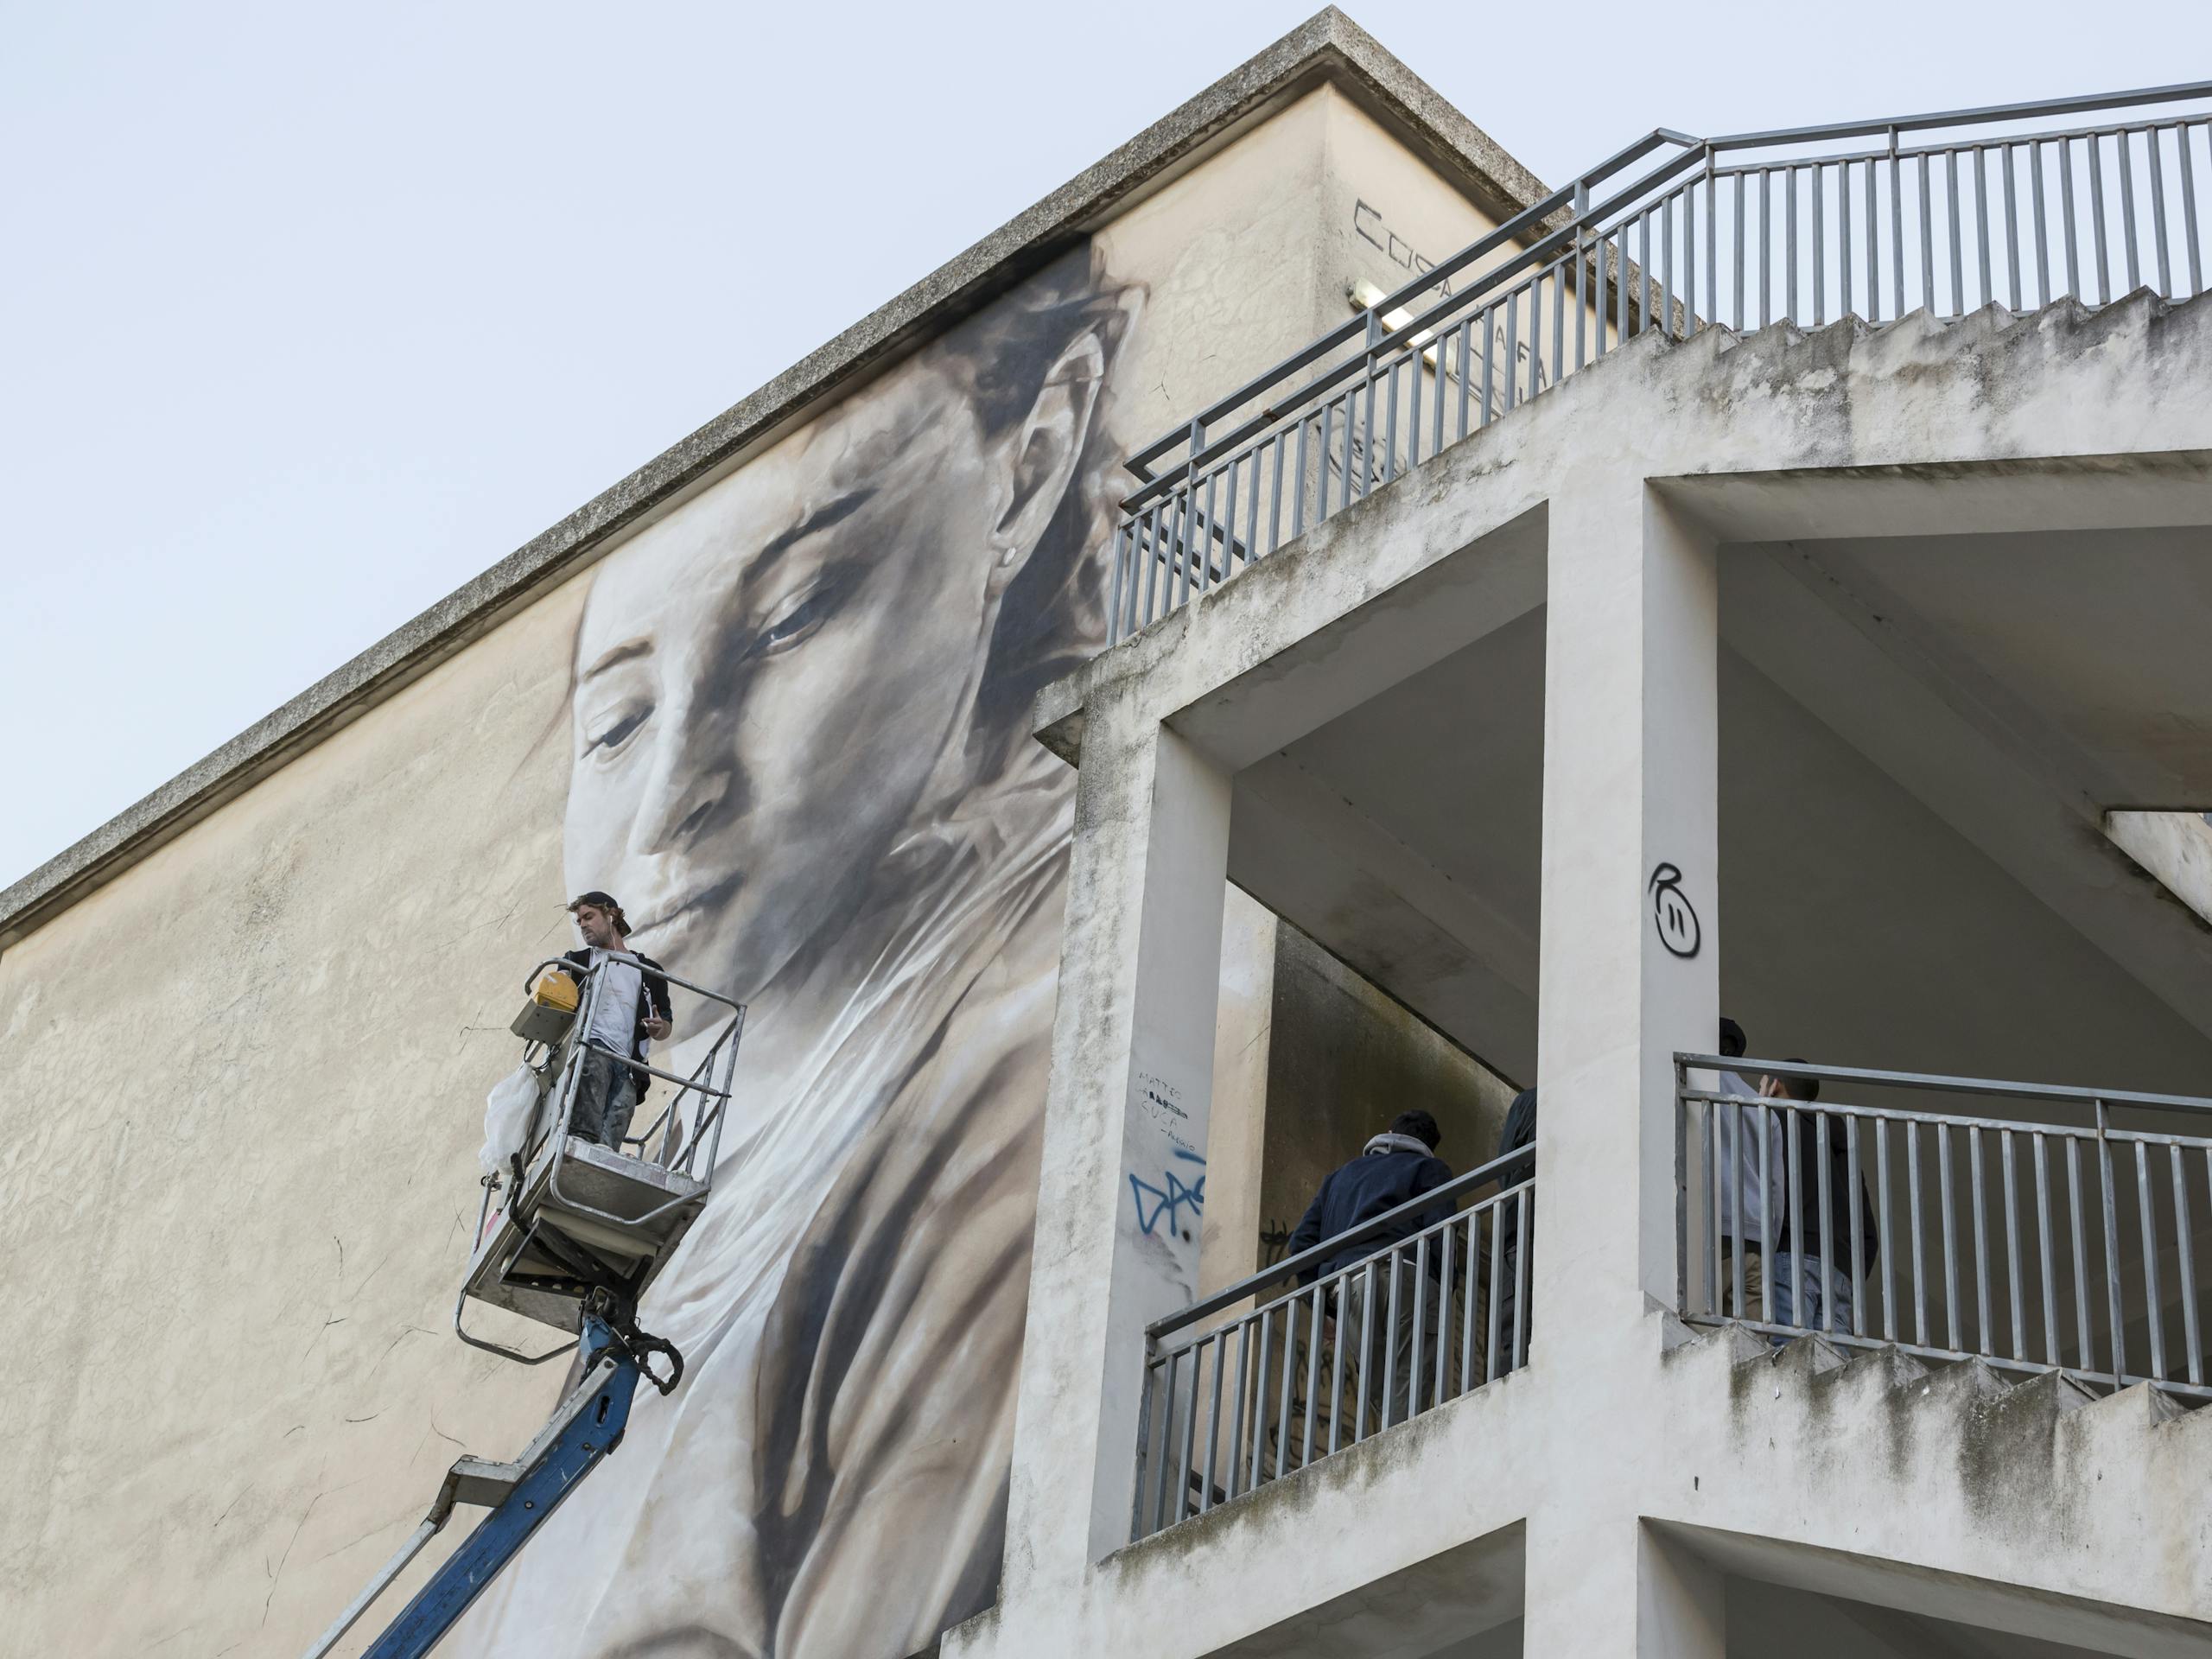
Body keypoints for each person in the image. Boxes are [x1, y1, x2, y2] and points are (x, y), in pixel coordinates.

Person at [457, 247, 1142, 1659]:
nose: (674, 796)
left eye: (790, 616)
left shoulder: (1027, 1051)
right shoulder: (734, 1099)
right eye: (618, 721)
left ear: (1033, 461)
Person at [1287, 1110, 1455, 1432]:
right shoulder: (1430, 1169)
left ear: (1388, 1132)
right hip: (1407, 1275)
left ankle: (1393, 1446)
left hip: (1350, 1284)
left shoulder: (1339, 1178)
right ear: (1428, 1147)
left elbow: (1300, 1243)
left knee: (1380, 1389)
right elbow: (1443, 1233)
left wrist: (1323, 1306)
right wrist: (1441, 1289)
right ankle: (1403, 1451)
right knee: (1408, 1383)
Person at [1766, 1065, 1880, 1338]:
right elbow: (1868, 1233)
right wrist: (1850, 1271)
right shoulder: (1842, 1149)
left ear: (1775, 1085)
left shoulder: (1773, 1123)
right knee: (1831, 1358)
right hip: (1839, 1269)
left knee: (1789, 1350)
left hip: (1792, 1253)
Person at [557, 891, 673, 1151]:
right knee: (581, 1138)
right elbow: (557, 1005)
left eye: (588, 917)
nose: (582, 924)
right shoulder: (576, 961)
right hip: (592, 1050)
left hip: (630, 1065)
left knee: (608, 1147)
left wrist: (659, 1027)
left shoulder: (650, 970)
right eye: (579, 921)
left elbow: (665, 1025)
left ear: (611, 915)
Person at [1707, 1016, 1784, 1322]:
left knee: (1700, 1327)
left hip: (1710, 1226)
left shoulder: (1694, 1082)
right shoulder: (1760, 1107)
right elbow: (1776, 1188)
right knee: (1751, 1338)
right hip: (1754, 1234)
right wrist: (1769, 1240)